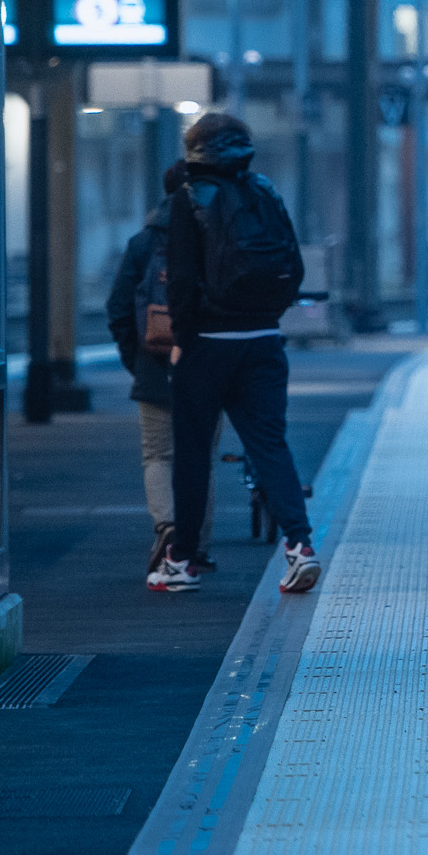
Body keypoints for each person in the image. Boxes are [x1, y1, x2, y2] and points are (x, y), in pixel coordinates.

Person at [150, 112, 321, 595]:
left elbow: (181, 280)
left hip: (207, 344)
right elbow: (294, 263)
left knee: (192, 455)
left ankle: (181, 561)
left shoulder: (189, 200)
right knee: (270, 445)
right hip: (264, 340)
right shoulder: (265, 191)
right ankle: (300, 544)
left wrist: (183, 338)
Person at [104, 163, 213, 574]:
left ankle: (166, 525)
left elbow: (117, 308)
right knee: (200, 453)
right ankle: (197, 544)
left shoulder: (142, 243)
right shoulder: (212, 235)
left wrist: (136, 360)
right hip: (205, 363)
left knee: (157, 454)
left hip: (153, 364)